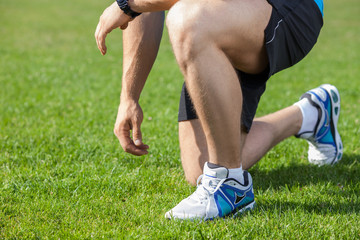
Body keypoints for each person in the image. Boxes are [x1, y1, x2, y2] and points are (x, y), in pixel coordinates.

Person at [95, 0, 342, 220]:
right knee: (200, 167)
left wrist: (127, 5)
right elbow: (144, 9)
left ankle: (230, 183)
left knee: (188, 20)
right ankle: (312, 114)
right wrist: (129, 97)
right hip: (222, 13)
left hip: (290, 8)